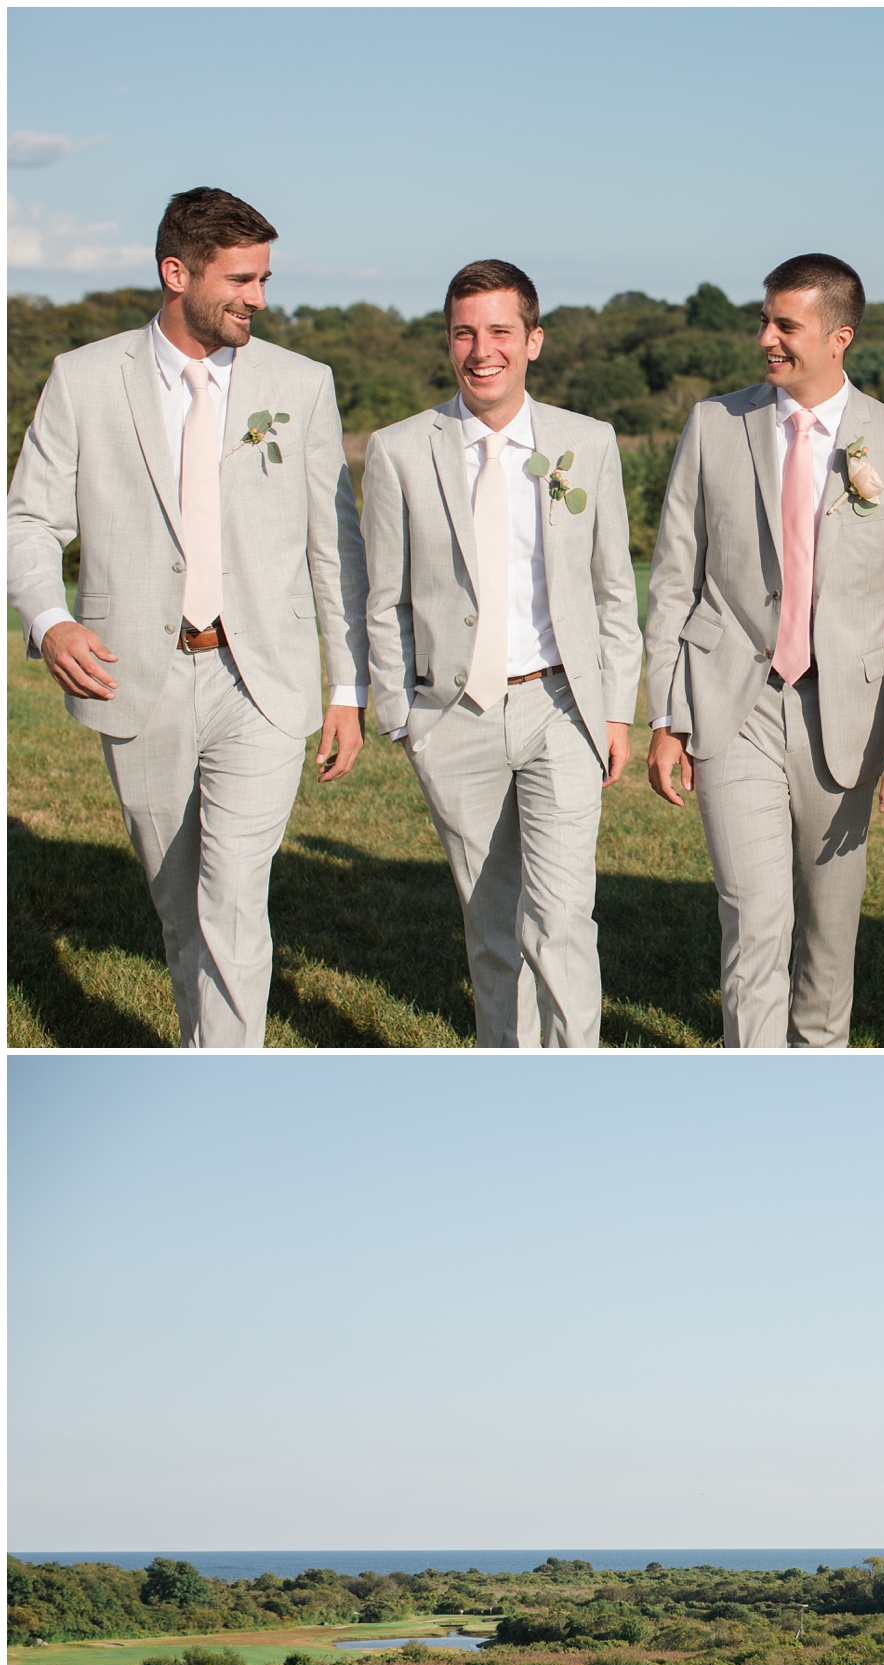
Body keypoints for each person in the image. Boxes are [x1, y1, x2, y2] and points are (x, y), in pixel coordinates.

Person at [7, 186, 368, 1046]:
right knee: (181, 910)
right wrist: (51, 620)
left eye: (265, 279)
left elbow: (334, 545)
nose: (259, 299)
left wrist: (348, 686)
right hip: (138, 679)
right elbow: (26, 519)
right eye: (241, 279)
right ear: (177, 272)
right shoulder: (85, 379)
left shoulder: (301, 384)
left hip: (264, 685)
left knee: (234, 896)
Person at [643, 252, 884, 1047]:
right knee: (753, 918)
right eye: (764, 320)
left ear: (839, 336)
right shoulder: (716, 424)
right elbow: (674, 575)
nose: (765, 339)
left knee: (828, 935)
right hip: (731, 703)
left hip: (846, 717)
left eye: (786, 325)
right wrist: (666, 714)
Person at [361, 260, 640, 1047]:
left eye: (500, 332)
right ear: (448, 341)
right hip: (452, 717)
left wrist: (616, 711)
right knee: (489, 928)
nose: (482, 350)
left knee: (562, 920)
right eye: (464, 333)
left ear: (534, 341)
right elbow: (383, 597)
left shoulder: (587, 443)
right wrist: (401, 716)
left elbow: (615, 590)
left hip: (562, 709)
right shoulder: (398, 450)